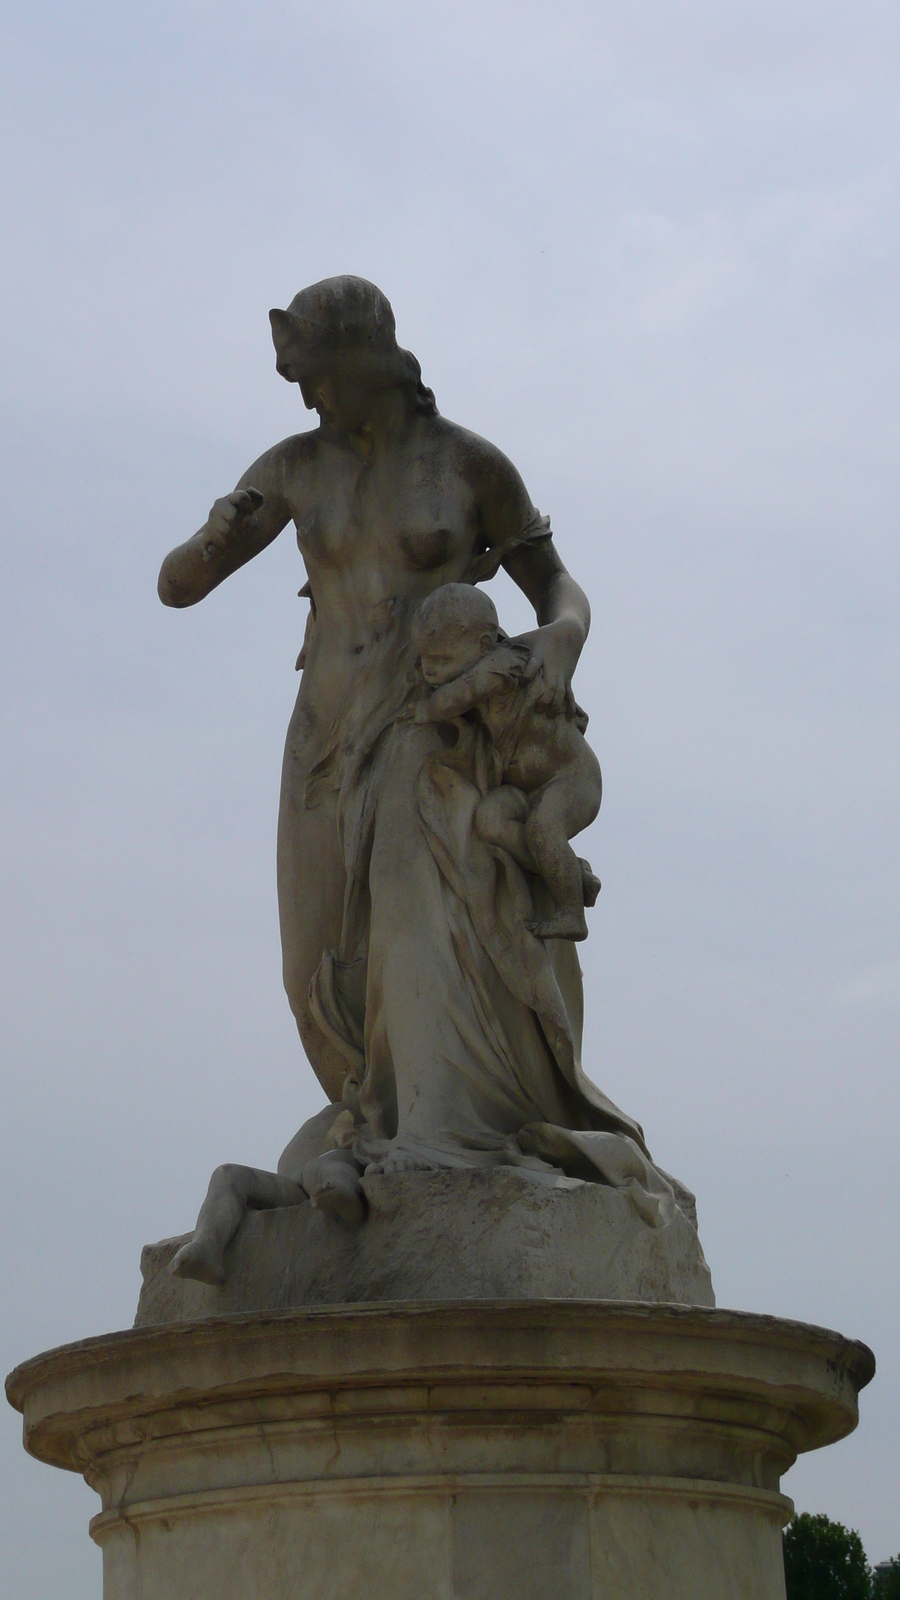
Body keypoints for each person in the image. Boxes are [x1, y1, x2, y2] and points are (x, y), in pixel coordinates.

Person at [159, 276, 668, 1283]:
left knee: (408, 944)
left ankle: (426, 1134)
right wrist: (215, 537)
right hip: (321, 738)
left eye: (312, 376)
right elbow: (178, 584)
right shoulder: (293, 467)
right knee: (316, 966)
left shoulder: (469, 464)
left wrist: (561, 638)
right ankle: (363, 1133)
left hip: (426, 737)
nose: (305, 400)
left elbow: (556, 584)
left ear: (363, 355)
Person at [413, 583, 602, 940]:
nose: (428, 671)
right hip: (532, 788)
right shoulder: (482, 661)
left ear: (483, 647)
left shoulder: (501, 667)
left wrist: (421, 709)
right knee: (490, 820)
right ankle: (570, 876)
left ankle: (572, 915)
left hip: (571, 779)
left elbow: (452, 699)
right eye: (424, 659)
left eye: (440, 661)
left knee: (543, 830)